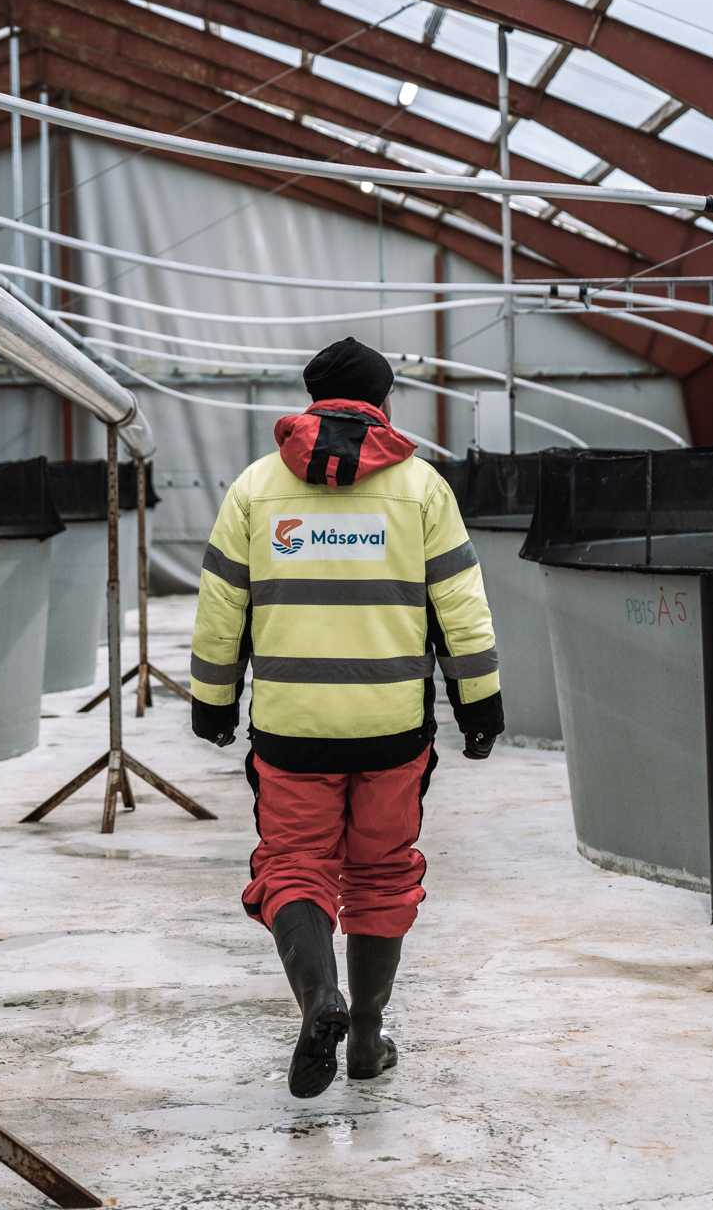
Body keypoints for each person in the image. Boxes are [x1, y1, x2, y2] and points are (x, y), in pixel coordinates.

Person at [189, 336, 502, 1099]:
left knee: (294, 865)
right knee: (382, 874)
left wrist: (214, 699)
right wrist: (479, 700)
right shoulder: (421, 489)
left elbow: (222, 602)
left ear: (311, 401)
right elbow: (459, 605)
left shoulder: (257, 488)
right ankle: (363, 1037)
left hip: (293, 731)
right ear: (383, 402)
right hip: (393, 728)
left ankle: (316, 999)